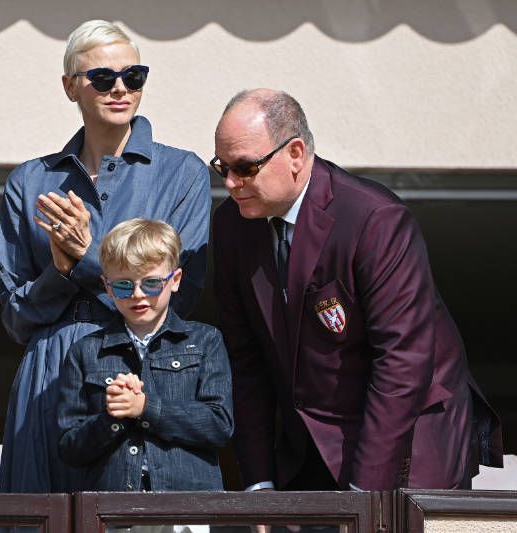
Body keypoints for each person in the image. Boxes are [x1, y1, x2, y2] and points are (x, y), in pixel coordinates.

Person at [211, 88, 503, 492]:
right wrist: (258, 482)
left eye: (245, 167)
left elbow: (403, 360)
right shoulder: (232, 226)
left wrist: (364, 494)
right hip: (309, 444)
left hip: (408, 442)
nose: (230, 182)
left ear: (295, 154)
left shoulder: (374, 219)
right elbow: (244, 361)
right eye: (221, 167)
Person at [0, 20, 211, 493]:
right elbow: (14, 317)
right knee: (41, 519)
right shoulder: (31, 181)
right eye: (102, 78)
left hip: (136, 367)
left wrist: (86, 257)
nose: (120, 89)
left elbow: (182, 298)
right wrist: (62, 270)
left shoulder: (182, 173)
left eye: (134, 77)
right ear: (70, 86)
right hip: (49, 368)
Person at [56, 218, 233, 493]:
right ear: (107, 286)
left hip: (190, 505)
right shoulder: (85, 351)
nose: (138, 295)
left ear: (174, 280)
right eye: (124, 286)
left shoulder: (205, 340)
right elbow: (69, 447)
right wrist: (113, 416)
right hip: (111, 508)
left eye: (151, 283)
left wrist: (145, 408)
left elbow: (219, 424)